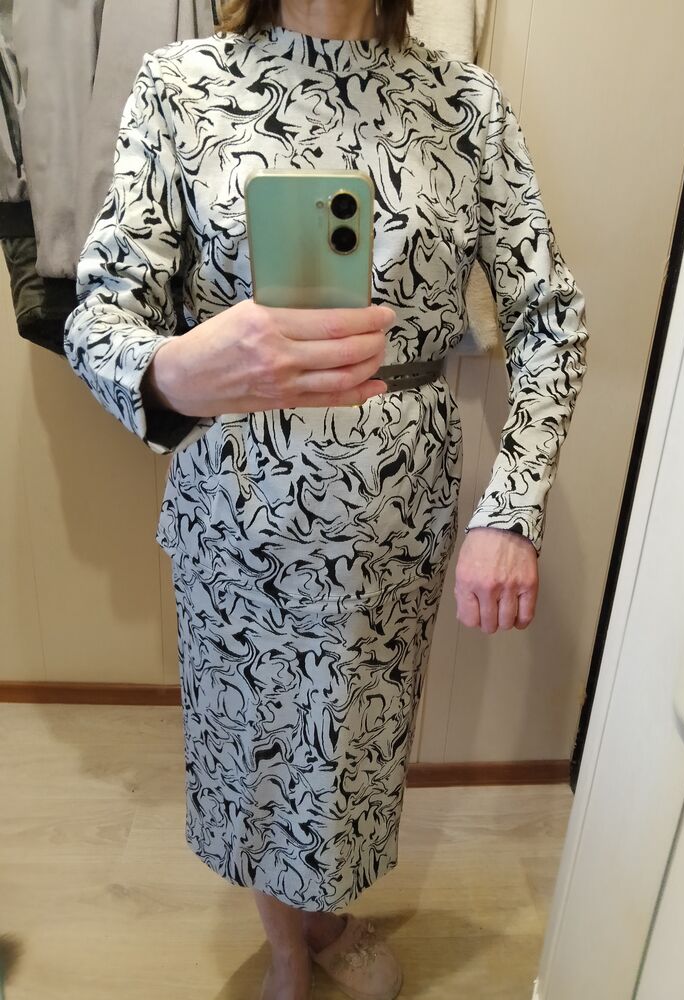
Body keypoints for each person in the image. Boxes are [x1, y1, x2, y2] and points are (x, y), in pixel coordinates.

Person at [63, 1, 588, 998]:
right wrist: (175, 371)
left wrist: (512, 508)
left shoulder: (465, 103)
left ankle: (328, 912)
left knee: (353, 751)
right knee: (255, 748)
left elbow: (550, 321)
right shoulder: (181, 86)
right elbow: (99, 317)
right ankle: (286, 944)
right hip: (237, 510)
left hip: (393, 517)